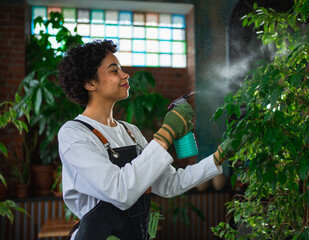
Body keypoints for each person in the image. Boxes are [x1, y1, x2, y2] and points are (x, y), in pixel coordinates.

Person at [57, 40, 232, 240]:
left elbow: (169, 183)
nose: (125, 74)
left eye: (121, 69)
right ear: (90, 83)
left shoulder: (130, 131)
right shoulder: (74, 133)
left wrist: (218, 157)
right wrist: (166, 134)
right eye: (114, 71)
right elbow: (119, 191)